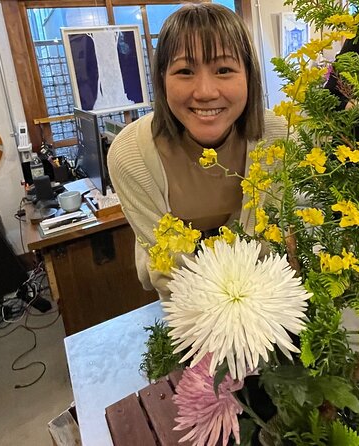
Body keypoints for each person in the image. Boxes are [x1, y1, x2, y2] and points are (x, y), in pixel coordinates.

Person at [107, 3, 288, 300]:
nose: (205, 91)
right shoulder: (130, 155)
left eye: (224, 69)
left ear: (249, 75)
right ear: (162, 78)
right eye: (185, 71)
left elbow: (274, 245)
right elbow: (168, 269)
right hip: (182, 301)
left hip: (265, 298)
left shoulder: (278, 137)